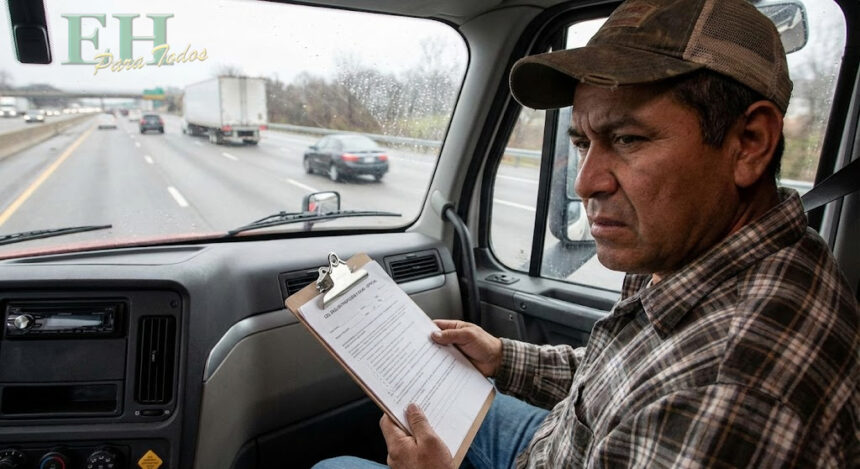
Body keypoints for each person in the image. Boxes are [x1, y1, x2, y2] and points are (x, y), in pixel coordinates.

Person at [314, 0, 859, 467]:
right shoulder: (698, 253)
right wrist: (504, 356)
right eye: (582, 143)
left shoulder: (727, 395)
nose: (584, 183)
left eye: (627, 139)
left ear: (750, 143)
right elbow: (625, 375)